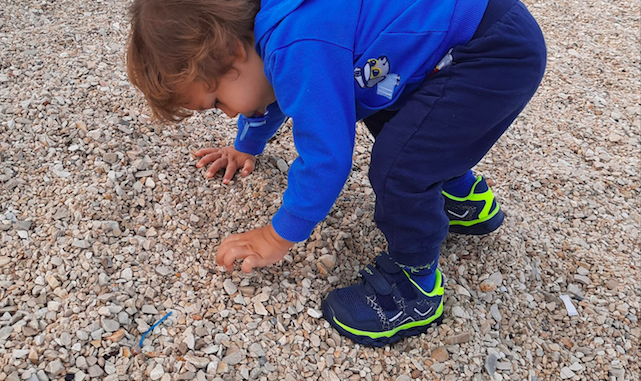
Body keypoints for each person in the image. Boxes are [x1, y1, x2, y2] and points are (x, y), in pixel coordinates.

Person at [126, 0, 546, 346]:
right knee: (396, 120)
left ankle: (416, 287)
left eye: (217, 101)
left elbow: (326, 156)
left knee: (399, 167)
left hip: (491, 53)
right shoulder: (270, 29)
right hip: (472, 37)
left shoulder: (297, 45)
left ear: (235, 53)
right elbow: (266, 91)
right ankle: (463, 197)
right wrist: (244, 145)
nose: (229, 111)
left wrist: (277, 237)